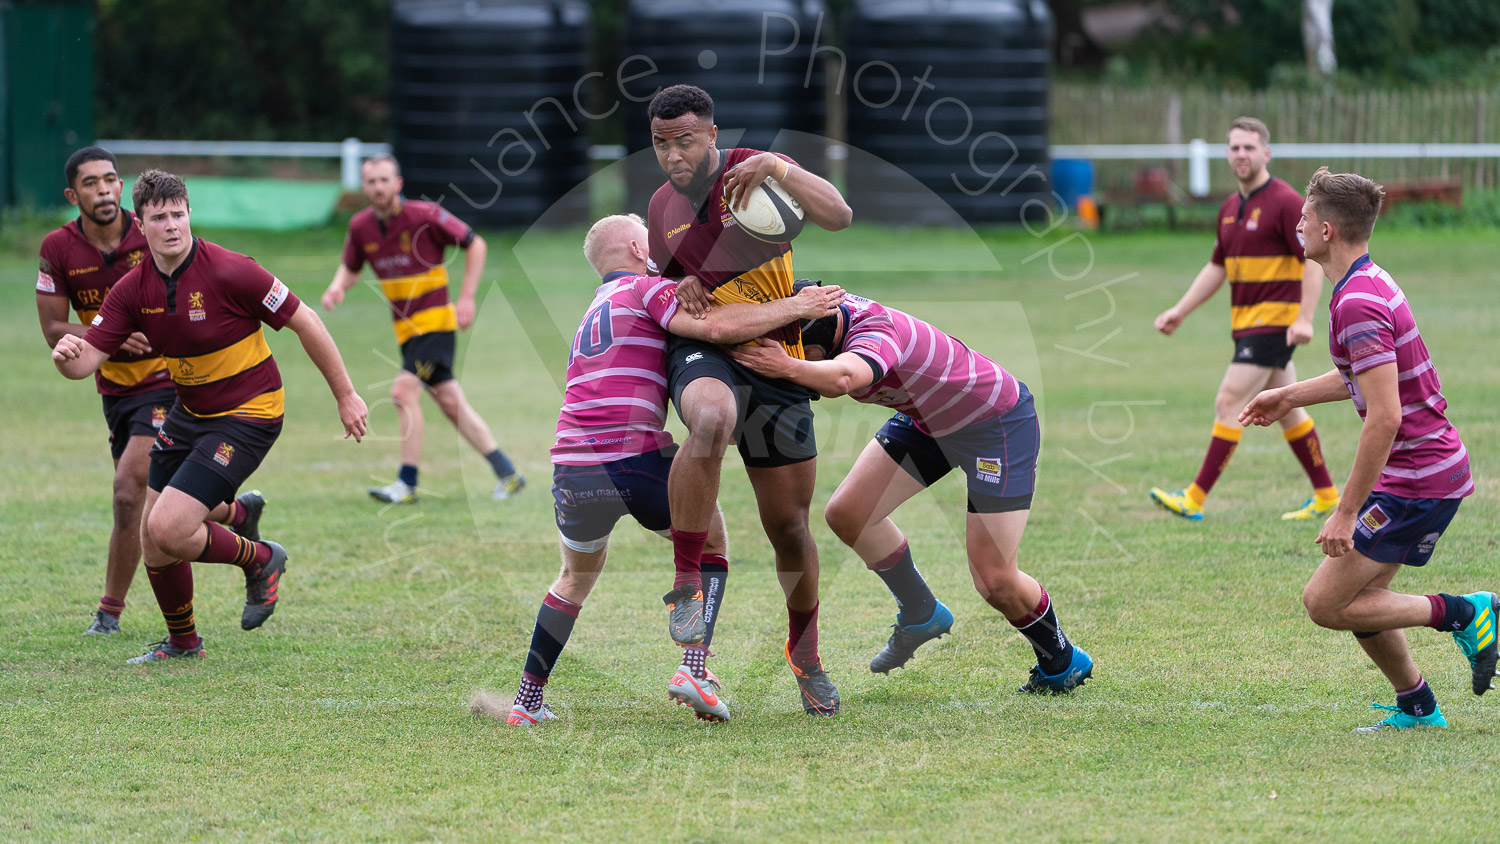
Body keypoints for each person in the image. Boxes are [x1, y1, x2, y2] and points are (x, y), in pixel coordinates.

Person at [473, 214, 843, 726]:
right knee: (711, 539)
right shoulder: (646, 289)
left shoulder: (593, 309)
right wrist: (798, 305)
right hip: (633, 457)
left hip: (572, 465)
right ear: (633, 246)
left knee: (572, 580)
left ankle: (527, 703)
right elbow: (717, 326)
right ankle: (694, 668)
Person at [52, 169, 369, 664]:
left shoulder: (231, 269)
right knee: (153, 538)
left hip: (249, 413)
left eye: (179, 214)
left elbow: (306, 320)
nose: (172, 225)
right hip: (190, 412)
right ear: (142, 225)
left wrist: (346, 395)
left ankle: (263, 558)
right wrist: (68, 355)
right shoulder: (133, 290)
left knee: (171, 528)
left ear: (190, 214)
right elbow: (87, 361)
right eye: (160, 218)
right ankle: (184, 643)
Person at [733, 285, 1094, 694]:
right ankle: (921, 611)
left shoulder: (874, 333)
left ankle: (1061, 660)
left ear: (822, 340)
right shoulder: (818, 313)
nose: (799, 364)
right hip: (930, 424)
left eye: (802, 355)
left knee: (995, 580)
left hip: (996, 426)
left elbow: (844, 377)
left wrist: (784, 366)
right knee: (849, 512)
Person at [1240, 167, 1487, 732]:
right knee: (1362, 597)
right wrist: (1287, 394)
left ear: (1327, 230)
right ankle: (1418, 708)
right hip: (1423, 470)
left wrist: (1346, 510)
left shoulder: (1356, 302)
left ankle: (1467, 612)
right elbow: (1365, 376)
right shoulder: (1365, 282)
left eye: (1303, 217)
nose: (1296, 224)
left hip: (1418, 477)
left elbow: (1385, 416)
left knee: (1325, 603)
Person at [645, 84, 853, 716]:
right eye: (660, 144)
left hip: (777, 354)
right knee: (709, 418)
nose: (673, 155)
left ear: (711, 134)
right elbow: (662, 280)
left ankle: (806, 654)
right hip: (708, 351)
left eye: (684, 140)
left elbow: (839, 215)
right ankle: (686, 580)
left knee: (788, 528)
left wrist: (783, 166)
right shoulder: (659, 207)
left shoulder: (753, 171)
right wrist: (680, 281)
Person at [37, 147, 259, 637]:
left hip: (167, 384)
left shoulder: (153, 231)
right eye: (90, 183)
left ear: (123, 189)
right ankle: (237, 512)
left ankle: (111, 611)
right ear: (73, 195)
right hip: (113, 388)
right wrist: (102, 334)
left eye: (110, 180)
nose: (103, 190)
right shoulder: (58, 248)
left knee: (127, 492)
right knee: (141, 502)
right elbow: (53, 324)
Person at [1150, 117, 1338, 522]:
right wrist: (1179, 311)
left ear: (1265, 153)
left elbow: (1311, 260)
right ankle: (1325, 494)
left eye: (1249, 147)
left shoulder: (1287, 202)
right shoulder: (1229, 209)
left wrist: (1304, 318)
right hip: (1246, 324)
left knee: (1228, 401)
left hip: (1275, 324)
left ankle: (1194, 498)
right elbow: (1218, 266)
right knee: (1288, 408)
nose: (1241, 154)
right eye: (1234, 147)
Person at [321, 155, 523, 505]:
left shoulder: (425, 216)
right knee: (450, 403)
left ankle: (407, 484)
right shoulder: (360, 226)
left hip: (435, 326)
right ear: (363, 187)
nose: (378, 187)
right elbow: (351, 267)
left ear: (398, 183)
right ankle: (508, 473)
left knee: (402, 393)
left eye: (385, 180)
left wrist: (467, 298)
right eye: (371, 182)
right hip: (407, 332)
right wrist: (339, 286)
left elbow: (476, 243)